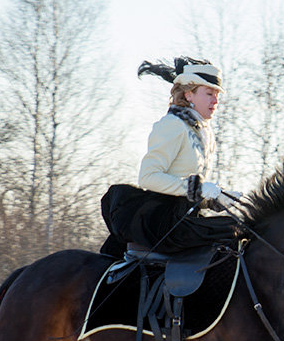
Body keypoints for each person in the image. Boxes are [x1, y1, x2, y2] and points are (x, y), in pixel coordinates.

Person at [100, 57, 239, 258]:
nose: (215, 100)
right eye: (209, 93)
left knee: (239, 232)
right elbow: (148, 177)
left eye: (217, 95)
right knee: (231, 232)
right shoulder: (172, 125)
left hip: (186, 216)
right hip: (162, 218)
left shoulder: (203, 133)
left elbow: (187, 187)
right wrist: (199, 189)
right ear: (189, 94)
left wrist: (215, 199)